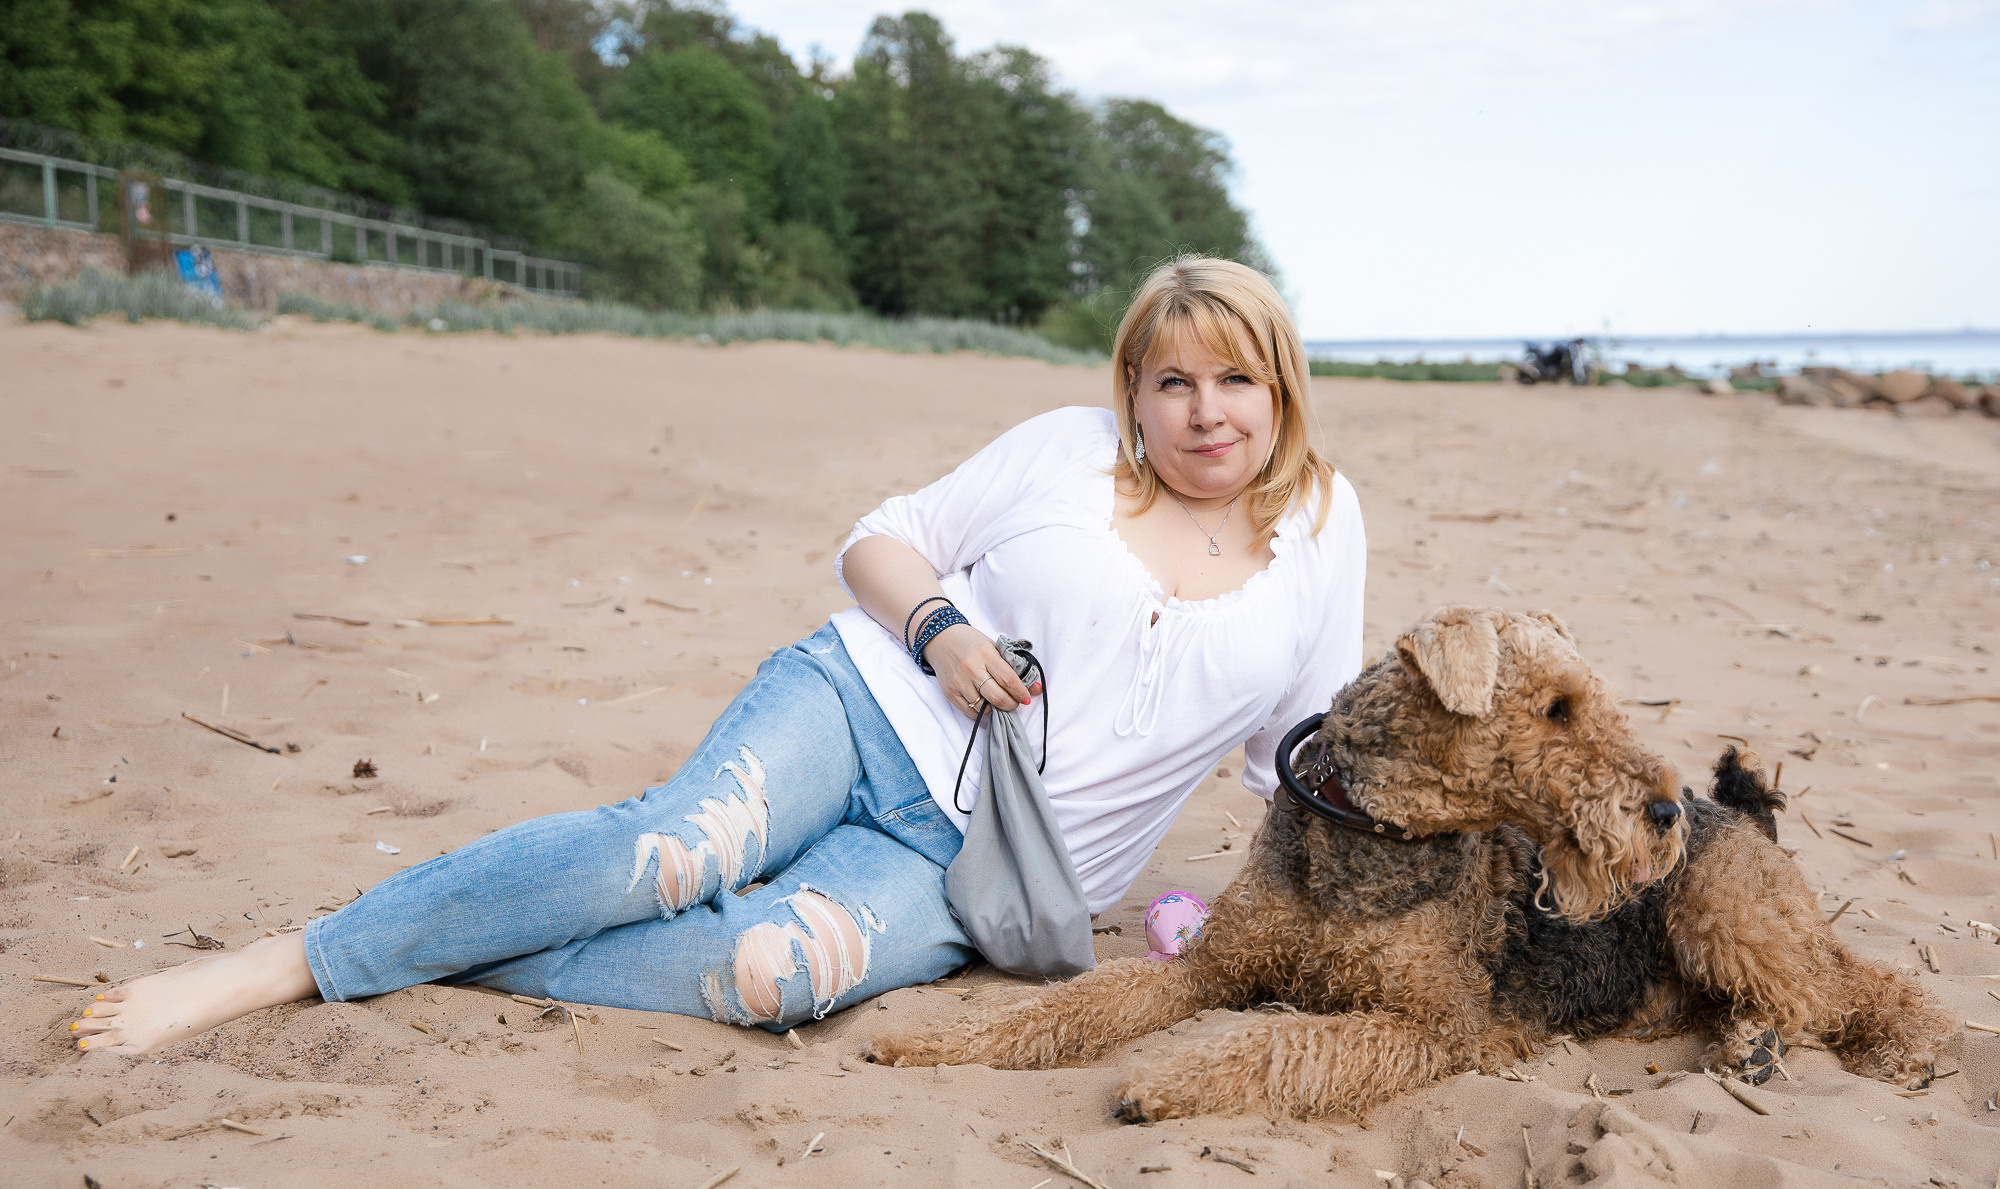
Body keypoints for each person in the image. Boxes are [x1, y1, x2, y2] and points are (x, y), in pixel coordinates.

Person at [70, 256, 1366, 1055]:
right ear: (1135, 391)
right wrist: (943, 628)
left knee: (768, 975)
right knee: (676, 847)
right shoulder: (1067, 448)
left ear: (1281, 390)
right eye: (1175, 383)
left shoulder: (1321, 527)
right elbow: (883, 538)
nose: (1206, 413)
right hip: (867, 702)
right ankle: (292, 963)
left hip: (995, 866)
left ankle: (444, 941)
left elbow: (1299, 759)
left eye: (1235, 382)